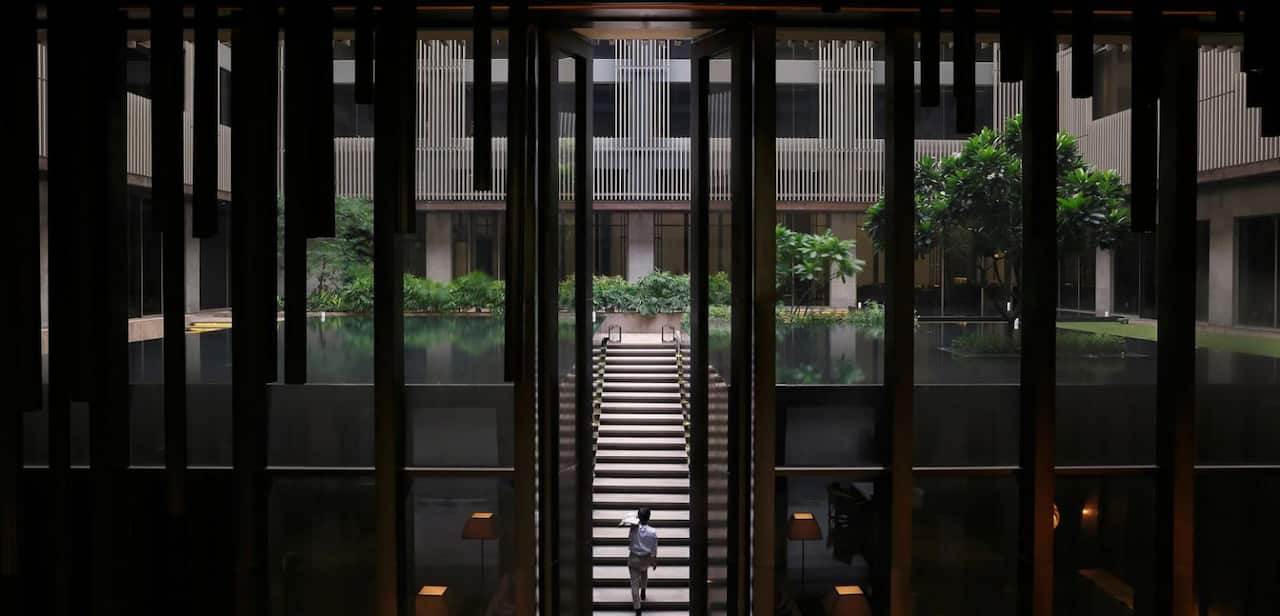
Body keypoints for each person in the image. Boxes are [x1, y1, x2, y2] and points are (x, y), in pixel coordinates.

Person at [627, 507, 659, 615]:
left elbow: (629, 540)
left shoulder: (633, 528)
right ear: (649, 518)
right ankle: (644, 590)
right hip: (646, 558)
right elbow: (654, 549)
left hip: (634, 557)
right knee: (644, 572)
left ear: (638, 517)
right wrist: (654, 561)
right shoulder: (653, 532)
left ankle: (638, 609)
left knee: (634, 583)